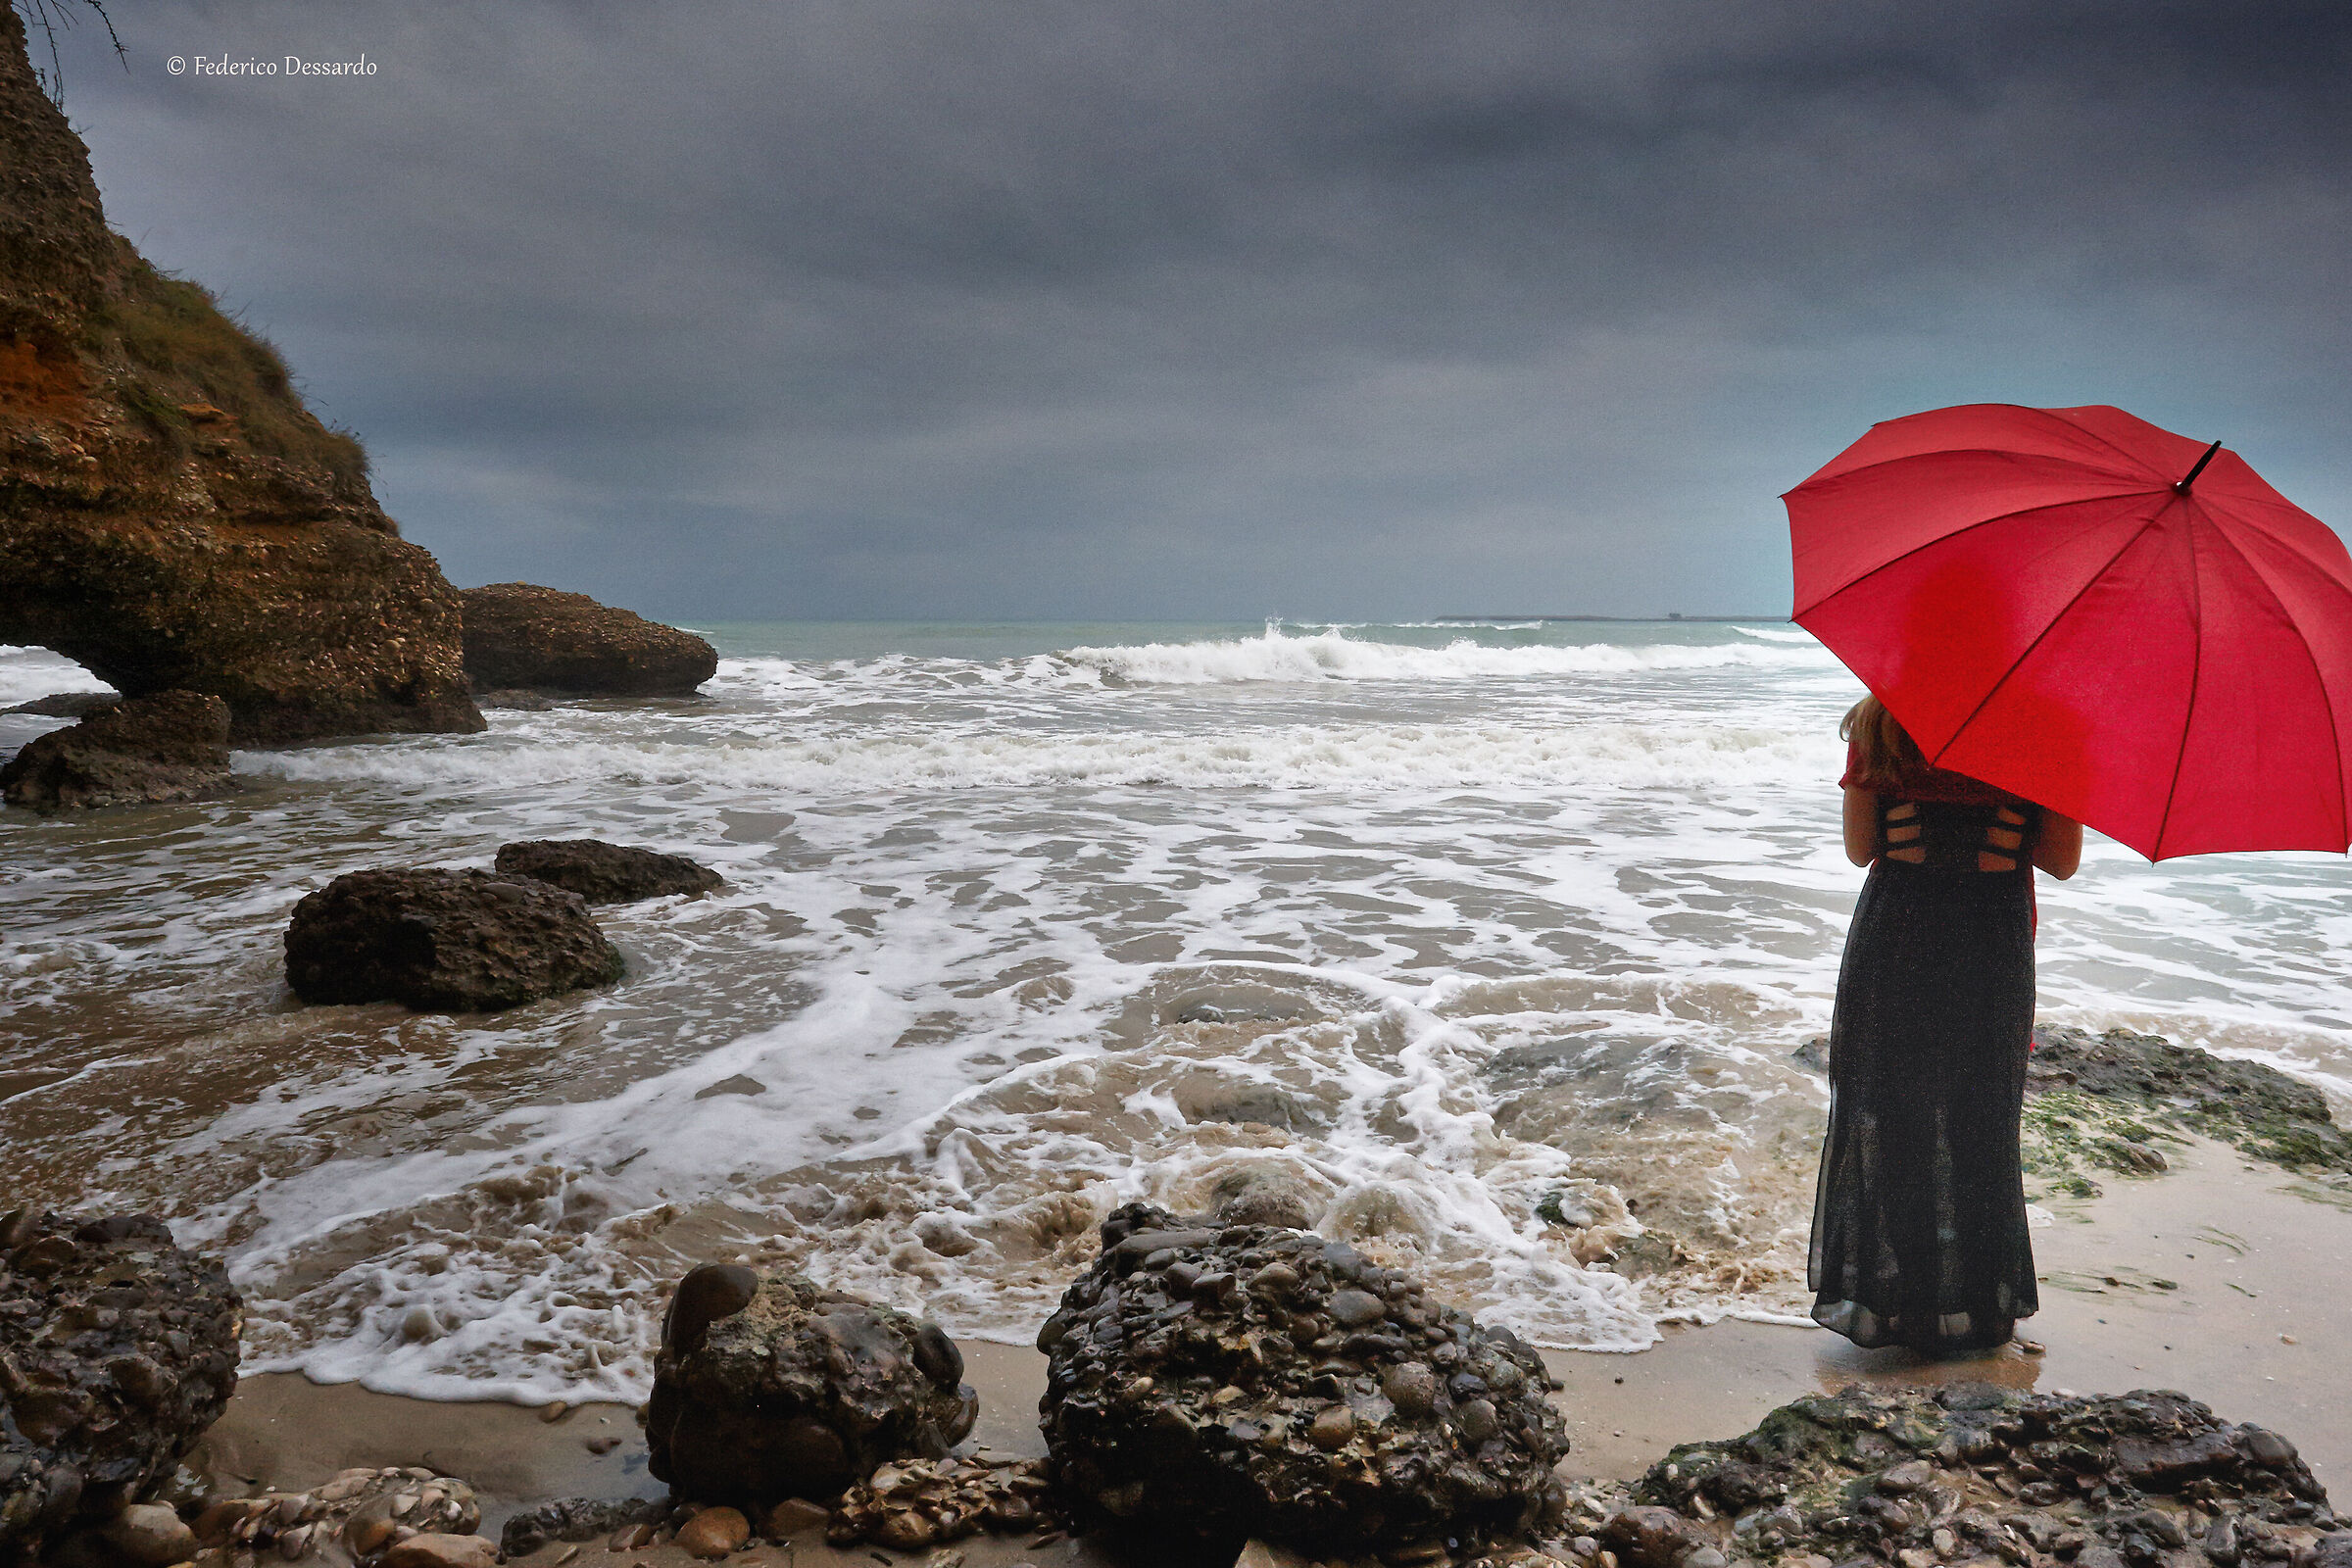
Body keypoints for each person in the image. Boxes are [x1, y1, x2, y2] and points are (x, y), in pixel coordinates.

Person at [1807, 694, 2082, 1355]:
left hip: (1899, 930)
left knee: (1895, 1118)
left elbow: (1859, 847)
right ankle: (1982, 1312)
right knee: (1980, 1120)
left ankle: (1903, 1305)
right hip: (1990, 937)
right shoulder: (2050, 727)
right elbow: (2061, 859)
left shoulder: (1880, 722)